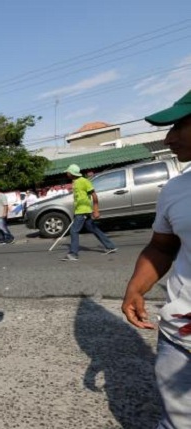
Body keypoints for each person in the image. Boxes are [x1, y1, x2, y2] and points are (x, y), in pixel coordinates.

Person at [121, 90, 191, 429]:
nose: (169, 137)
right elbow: (162, 246)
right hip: (180, 336)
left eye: (181, 125)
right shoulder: (175, 190)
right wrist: (136, 287)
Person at [61, 164, 117, 261]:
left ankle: (73, 254)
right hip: (80, 210)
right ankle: (110, 246)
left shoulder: (84, 181)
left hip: (83, 211)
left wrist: (96, 210)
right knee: (93, 228)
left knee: (74, 231)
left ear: (72, 173)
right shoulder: (76, 182)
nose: (66, 173)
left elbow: (94, 196)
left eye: (68, 172)